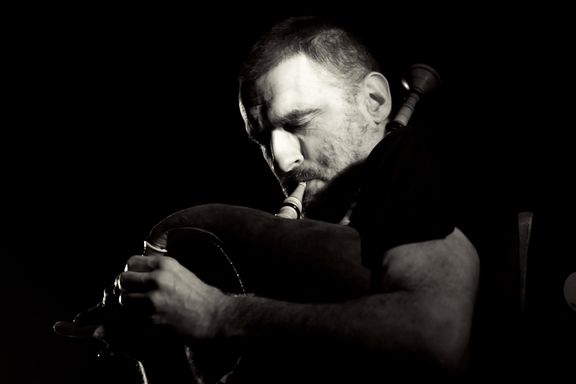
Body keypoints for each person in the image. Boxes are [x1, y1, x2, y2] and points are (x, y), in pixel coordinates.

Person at [60, 16, 480, 383]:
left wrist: (218, 314)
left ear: (374, 101)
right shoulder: (323, 238)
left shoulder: (402, 153)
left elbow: (435, 337)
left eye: (298, 122)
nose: (282, 158)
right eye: (262, 140)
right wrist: (153, 346)